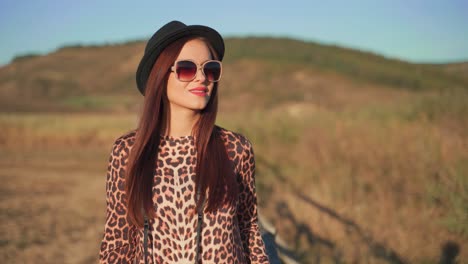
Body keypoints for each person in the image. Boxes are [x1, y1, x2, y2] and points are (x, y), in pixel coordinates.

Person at [99, 20, 270, 264]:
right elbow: (117, 244)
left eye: (210, 69)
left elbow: (249, 231)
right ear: (159, 76)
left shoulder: (235, 148)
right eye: (187, 68)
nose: (201, 78)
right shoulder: (127, 152)